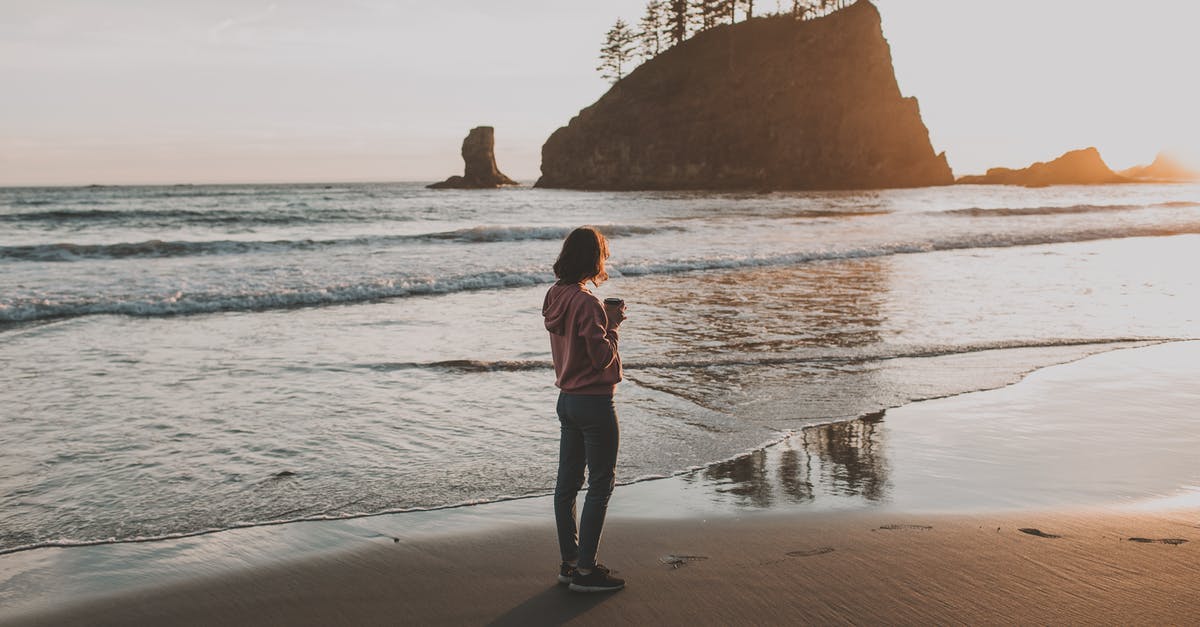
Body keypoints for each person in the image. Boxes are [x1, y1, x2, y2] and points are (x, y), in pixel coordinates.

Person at [542, 226, 627, 593]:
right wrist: (614, 324)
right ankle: (587, 571)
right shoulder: (587, 301)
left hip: (566, 400)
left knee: (568, 484)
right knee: (601, 483)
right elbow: (601, 358)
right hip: (594, 401)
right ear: (595, 259)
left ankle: (570, 562)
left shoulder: (555, 295)